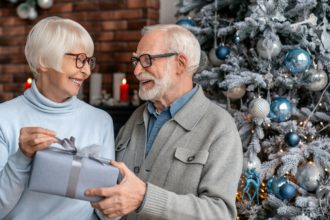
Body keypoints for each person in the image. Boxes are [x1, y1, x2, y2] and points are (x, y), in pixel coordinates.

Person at [86, 24, 243, 220]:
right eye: (136, 60)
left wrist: (145, 198)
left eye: (146, 60)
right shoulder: (136, 117)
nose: (136, 71)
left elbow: (220, 214)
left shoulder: (220, 128)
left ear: (180, 63)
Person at [0, 16, 115, 220]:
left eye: (89, 61)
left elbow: (106, 209)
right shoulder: (4, 118)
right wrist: (21, 159)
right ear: (44, 60)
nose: (86, 71)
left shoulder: (100, 120)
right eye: (79, 59)